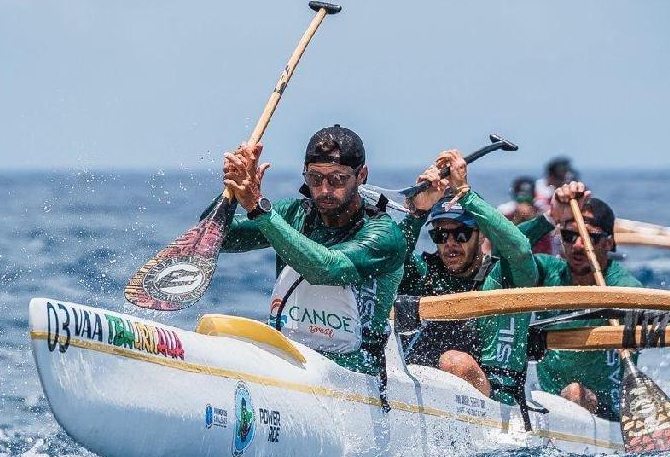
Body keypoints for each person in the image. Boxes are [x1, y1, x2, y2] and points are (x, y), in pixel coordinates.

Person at [216, 125, 405, 377]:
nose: (325, 190)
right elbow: (216, 239)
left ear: (361, 176)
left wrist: (259, 210)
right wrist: (231, 192)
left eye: (337, 179)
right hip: (291, 355)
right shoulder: (293, 214)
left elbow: (327, 269)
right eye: (315, 178)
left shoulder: (384, 234)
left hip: (359, 370)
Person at [397, 150, 538, 396]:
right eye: (441, 235)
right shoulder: (424, 273)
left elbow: (521, 250)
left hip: (495, 400)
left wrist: (466, 194)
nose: (450, 244)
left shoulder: (504, 278)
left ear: (481, 234)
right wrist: (418, 212)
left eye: (460, 234)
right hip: (428, 392)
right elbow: (387, 261)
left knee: (456, 362)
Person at [516, 182, 643, 419]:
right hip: (548, 403)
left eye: (589, 238)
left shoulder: (626, 289)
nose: (577, 245)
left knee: (575, 392)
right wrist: (551, 216)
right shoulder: (546, 271)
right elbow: (506, 251)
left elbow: (645, 327)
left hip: (607, 412)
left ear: (609, 243)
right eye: (569, 235)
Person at [499, 176, 555, 254]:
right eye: (520, 198)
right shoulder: (505, 215)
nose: (524, 203)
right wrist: (517, 219)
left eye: (527, 197)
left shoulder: (543, 216)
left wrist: (532, 219)